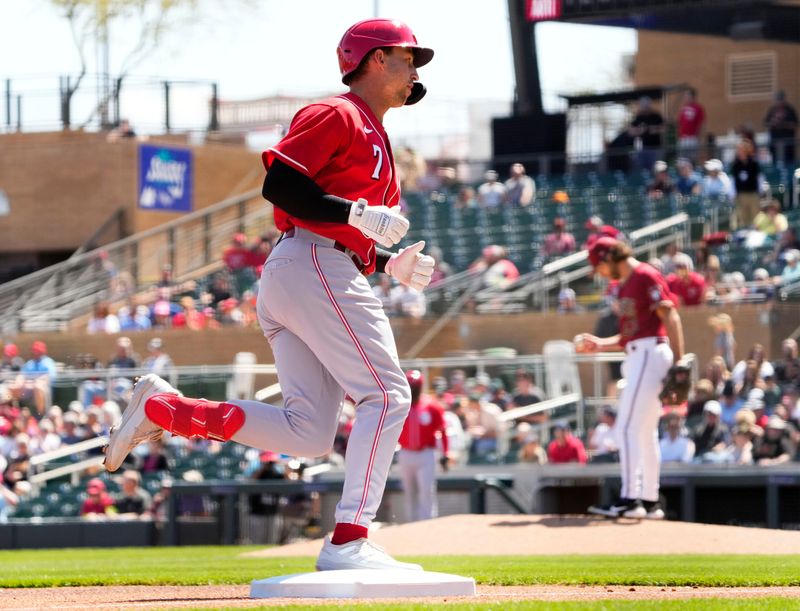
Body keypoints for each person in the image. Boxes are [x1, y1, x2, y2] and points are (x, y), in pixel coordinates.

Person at [104, 17, 435, 573]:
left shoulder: (377, 135)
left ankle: (169, 409)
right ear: (375, 59)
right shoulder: (337, 112)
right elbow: (280, 185)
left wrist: (387, 261)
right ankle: (350, 539)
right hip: (312, 263)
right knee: (389, 396)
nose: (414, 70)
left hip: (312, 267)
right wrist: (354, 215)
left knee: (308, 434)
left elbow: (351, 229)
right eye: (407, 58)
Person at [577, 237, 684, 520]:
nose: (599, 272)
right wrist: (600, 344)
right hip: (640, 352)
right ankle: (650, 501)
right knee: (645, 431)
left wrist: (681, 359)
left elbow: (670, 315)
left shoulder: (644, 274)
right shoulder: (625, 285)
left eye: (598, 265)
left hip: (650, 354)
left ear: (610, 257)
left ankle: (629, 499)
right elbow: (628, 337)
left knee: (625, 429)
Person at [396, 370, 450, 523]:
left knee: (426, 490)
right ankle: (410, 524)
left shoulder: (432, 406)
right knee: (408, 491)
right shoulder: (400, 405)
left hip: (426, 453)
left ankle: (427, 524)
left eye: (415, 387)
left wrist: (445, 453)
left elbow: (443, 430)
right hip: (405, 452)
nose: (412, 390)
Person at [730, 140, 761, 230]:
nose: (740, 152)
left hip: (753, 194)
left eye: (742, 149)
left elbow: (759, 178)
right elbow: (733, 180)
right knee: (743, 219)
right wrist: (733, 194)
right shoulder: (735, 164)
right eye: (739, 150)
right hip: (741, 195)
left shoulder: (754, 163)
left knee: (755, 219)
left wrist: (760, 192)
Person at [628, 96, 664, 171]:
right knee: (642, 169)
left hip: (656, 148)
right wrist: (640, 131)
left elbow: (663, 128)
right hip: (643, 148)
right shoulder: (639, 117)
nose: (645, 108)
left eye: (647, 105)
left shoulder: (656, 116)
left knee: (656, 169)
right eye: (643, 106)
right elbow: (631, 131)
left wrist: (653, 129)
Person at [763, 90, 797, 165]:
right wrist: (773, 123)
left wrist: (784, 124)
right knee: (775, 161)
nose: (779, 102)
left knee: (789, 162)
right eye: (778, 100)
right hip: (775, 141)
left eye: (781, 100)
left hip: (788, 142)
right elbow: (766, 123)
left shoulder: (790, 110)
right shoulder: (772, 110)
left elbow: (795, 124)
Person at [676, 88, 705, 161]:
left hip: (692, 137)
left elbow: (701, 124)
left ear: (692, 96)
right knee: (682, 160)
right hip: (683, 137)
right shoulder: (683, 108)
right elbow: (680, 123)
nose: (685, 97)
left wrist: (699, 137)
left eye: (687, 95)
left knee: (692, 159)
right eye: (685, 95)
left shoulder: (698, 108)